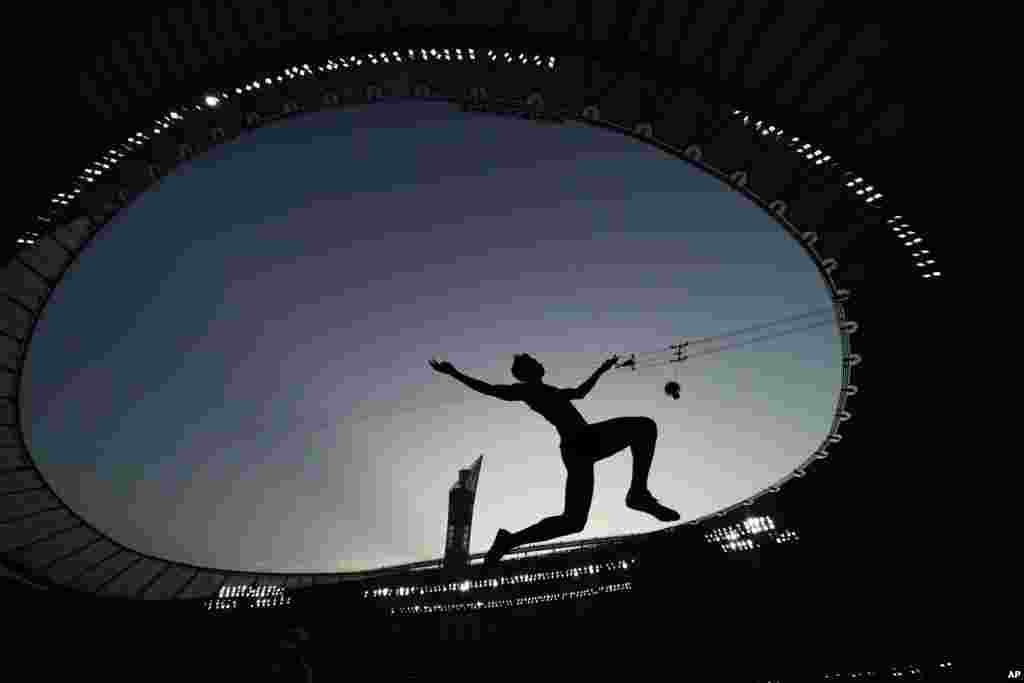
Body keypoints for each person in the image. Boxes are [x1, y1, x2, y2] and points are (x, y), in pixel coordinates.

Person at [429, 353, 679, 570]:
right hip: (583, 440)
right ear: (528, 371)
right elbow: (490, 389)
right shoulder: (526, 390)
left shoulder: (550, 391)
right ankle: (638, 492)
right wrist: (454, 373)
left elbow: (580, 392)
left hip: (577, 450)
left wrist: (601, 370)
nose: (540, 362)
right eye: (535, 361)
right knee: (644, 427)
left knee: (574, 521)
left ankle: (509, 541)